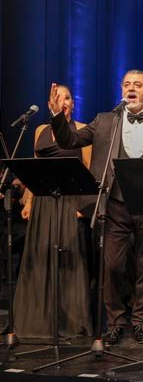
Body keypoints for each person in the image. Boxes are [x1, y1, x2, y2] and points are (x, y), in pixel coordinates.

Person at [49, 71, 143, 346]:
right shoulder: (105, 120)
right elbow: (69, 141)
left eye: (137, 84)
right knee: (112, 266)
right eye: (127, 84)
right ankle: (115, 321)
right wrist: (56, 115)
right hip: (114, 203)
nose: (131, 88)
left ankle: (139, 319)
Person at [14, 85, 93, 339]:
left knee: (69, 258)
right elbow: (35, 168)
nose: (63, 101)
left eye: (67, 97)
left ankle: (72, 322)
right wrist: (29, 200)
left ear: (73, 104)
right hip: (43, 201)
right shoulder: (40, 130)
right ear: (50, 105)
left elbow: (88, 169)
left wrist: (83, 206)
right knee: (41, 255)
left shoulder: (81, 130)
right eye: (58, 98)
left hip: (70, 202)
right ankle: (40, 320)